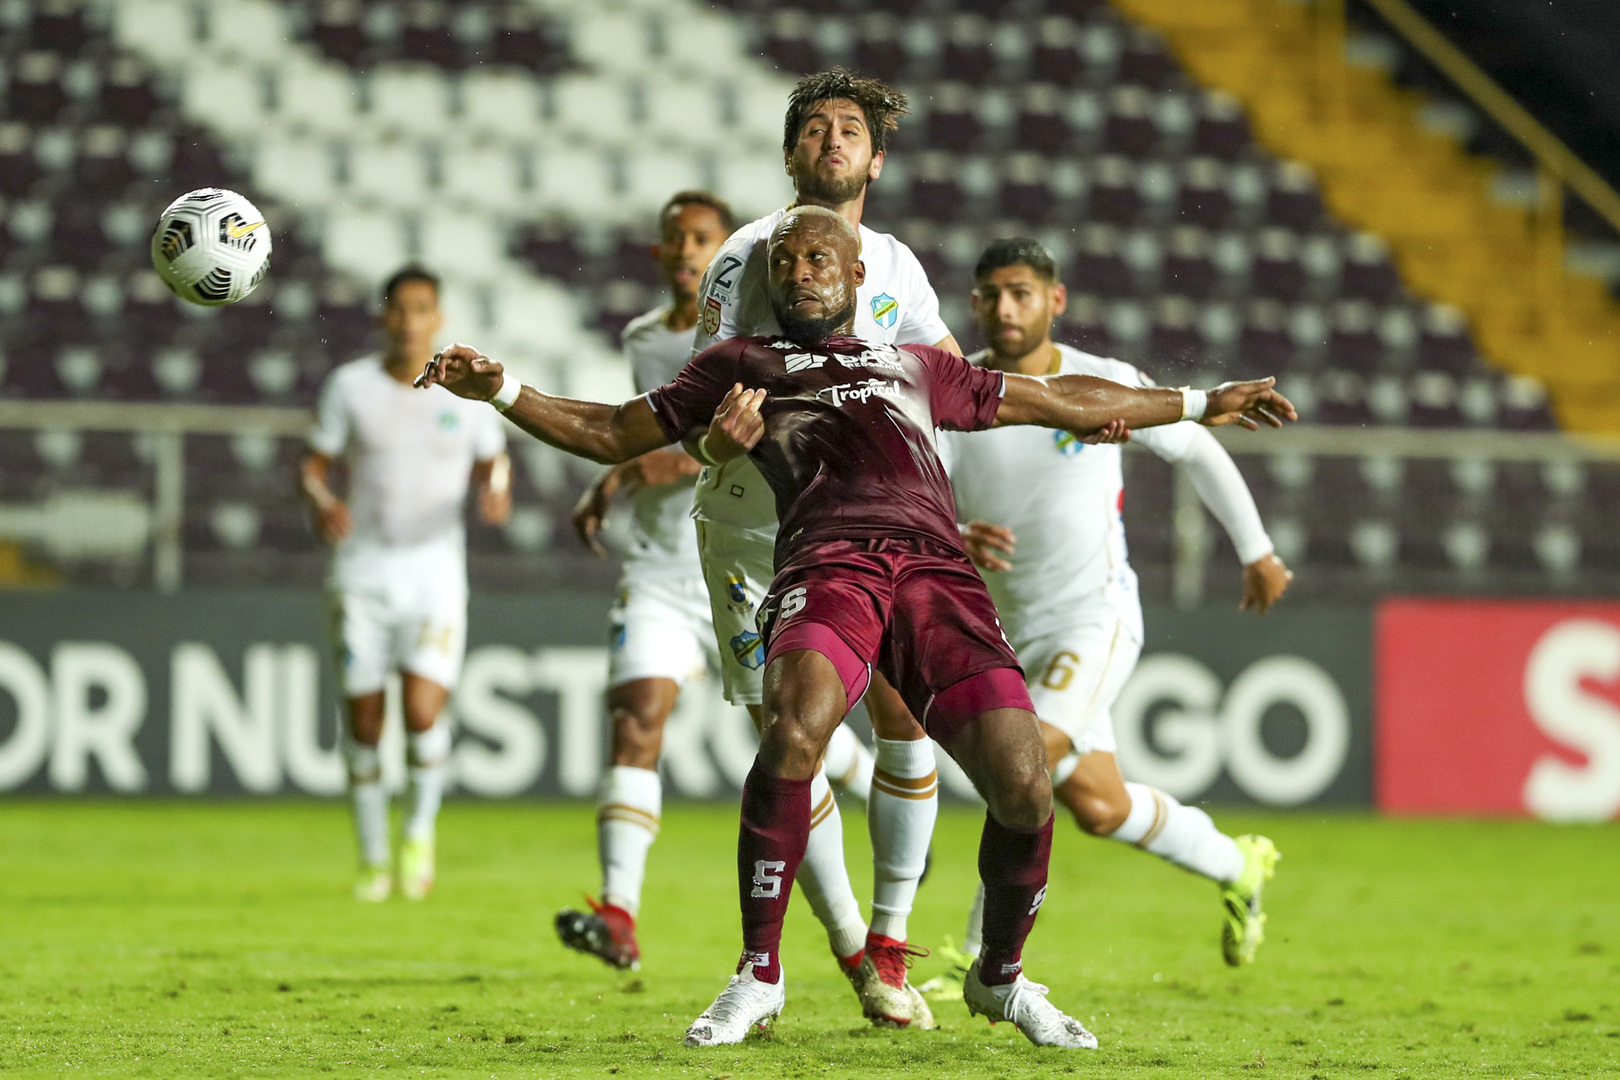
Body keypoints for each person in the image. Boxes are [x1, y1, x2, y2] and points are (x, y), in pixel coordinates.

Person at [415, 206, 1295, 1049]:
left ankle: (999, 975)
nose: (800, 271)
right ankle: (760, 973)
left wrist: (1197, 400)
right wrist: (505, 391)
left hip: (938, 574)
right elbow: (612, 430)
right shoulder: (739, 365)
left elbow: (1055, 397)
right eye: (786, 260)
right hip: (830, 566)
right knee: (793, 732)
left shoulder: (918, 364)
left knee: (1027, 783)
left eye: (819, 259)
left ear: (857, 275)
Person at [918, 239, 1292, 999]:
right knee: (1098, 804)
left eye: (1021, 292)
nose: (1005, 308)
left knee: (1021, 761)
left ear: (1055, 300)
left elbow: (1197, 449)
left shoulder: (1105, 385)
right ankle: (1237, 864)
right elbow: (920, 496)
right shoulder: (959, 392)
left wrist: (1256, 549)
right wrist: (954, 536)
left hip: (1093, 618)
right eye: (990, 294)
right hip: (1005, 629)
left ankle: (979, 955)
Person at [684, 68, 959, 1024]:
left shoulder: (897, 266)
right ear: (790, 151)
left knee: (905, 718)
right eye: (813, 128)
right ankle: (846, 954)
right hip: (755, 529)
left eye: (850, 130)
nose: (831, 141)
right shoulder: (749, 254)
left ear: (876, 160)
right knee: (789, 740)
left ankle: (888, 940)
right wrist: (710, 443)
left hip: (865, 525)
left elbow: (946, 382)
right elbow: (699, 396)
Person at [554, 190, 876, 974]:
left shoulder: (761, 331)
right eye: (676, 239)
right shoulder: (642, 338)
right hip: (667, 563)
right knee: (637, 716)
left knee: (794, 740)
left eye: (703, 237)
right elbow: (649, 425)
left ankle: (865, 874)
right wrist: (619, 475)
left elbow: (695, 437)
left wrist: (643, 465)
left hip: (758, 555)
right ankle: (620, 910)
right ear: (661, 254)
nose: (690, 250)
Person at [299, 265, 511, 902]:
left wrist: (495, 489)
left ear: (438, 318)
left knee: (422, 712)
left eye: (422, 308)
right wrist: (321, 500)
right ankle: (371, 857)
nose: (409, 320)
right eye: (398, 308)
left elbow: (493, 459)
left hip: (434, 572)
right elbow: (312, 468)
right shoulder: (351, 387)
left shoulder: (465, 390)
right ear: (383, 315)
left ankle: (417, 836)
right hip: (362, 571)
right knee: (364, 721)